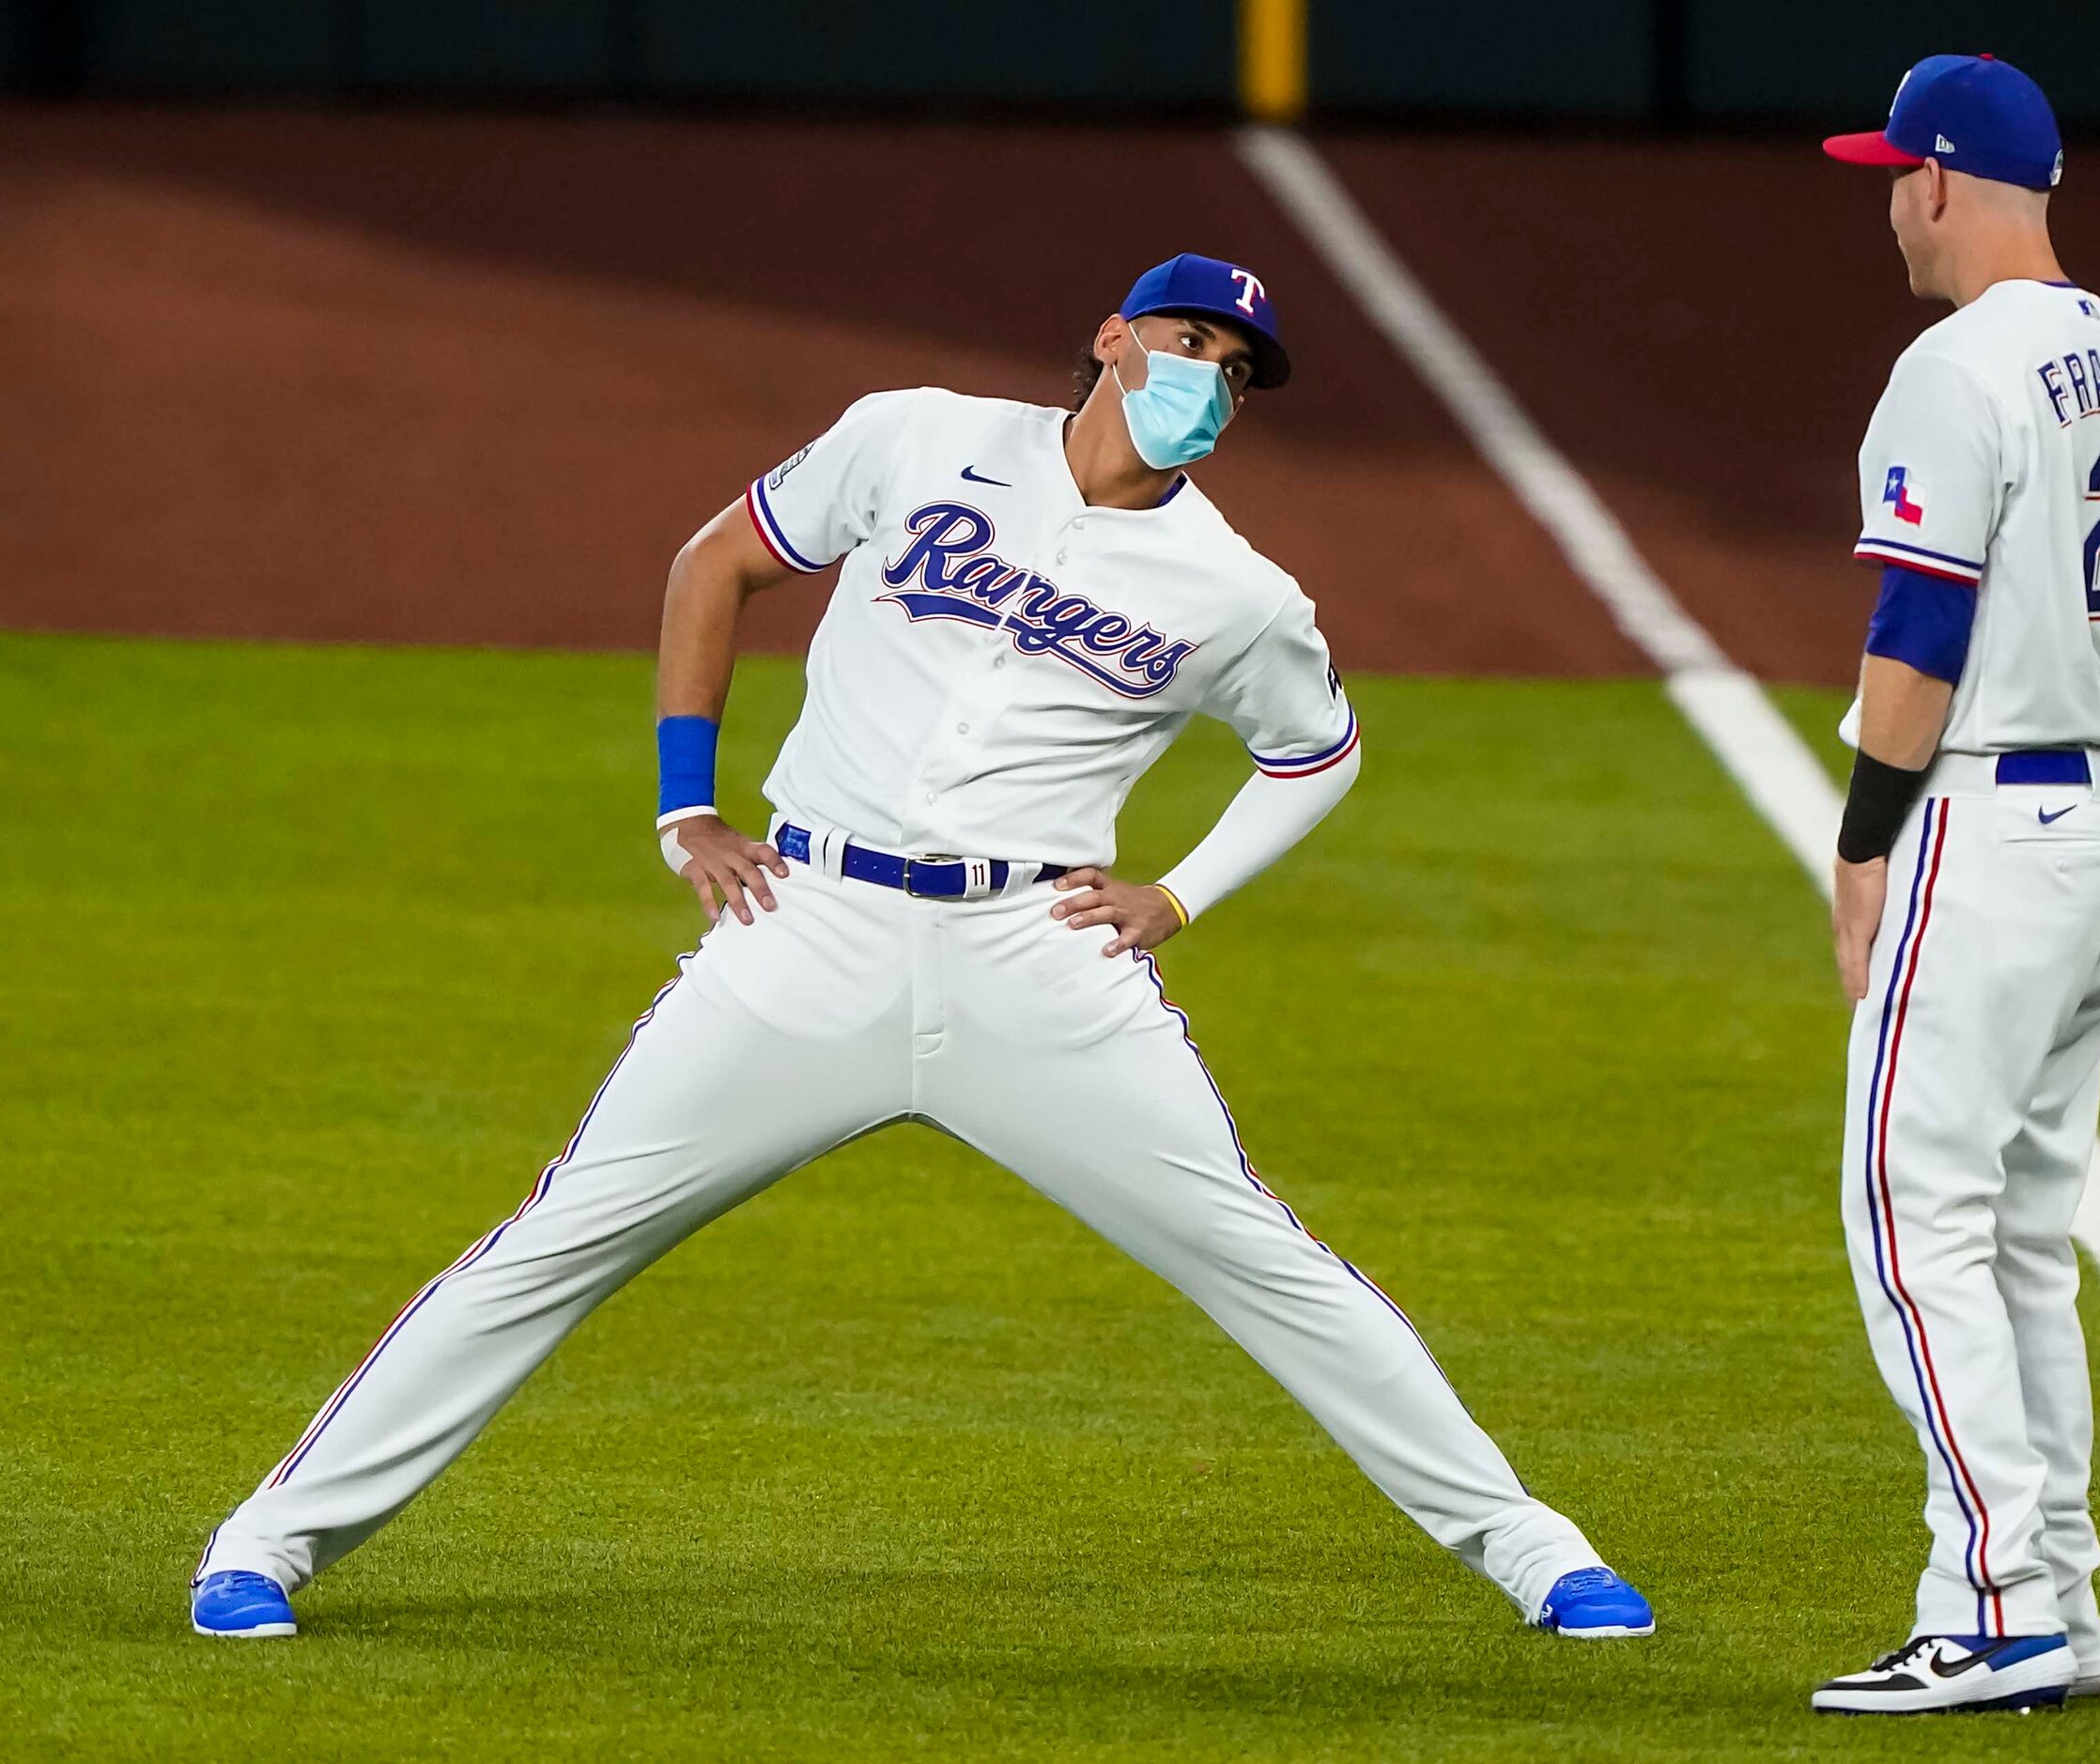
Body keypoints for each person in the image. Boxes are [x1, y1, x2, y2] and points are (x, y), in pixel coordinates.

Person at [190, 252, 1653, 1646]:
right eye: (1191, 342)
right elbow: (717, 565)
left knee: (1257, 1257)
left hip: (1037, 959)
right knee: (561, 1239)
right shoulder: (914, 439)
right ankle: (266, 1542)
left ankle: (1537, 1550)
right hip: (803, 927)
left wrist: (1183, 893)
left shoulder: (1237, 592)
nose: (1206, 379)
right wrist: (687, 809)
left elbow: (1317, 752)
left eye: (1239, 371)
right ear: (1114, 337)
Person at [1810, 59, 2100, 1714]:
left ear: (1948, 183)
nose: (1889, 196)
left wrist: (1862, 837)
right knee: (2024, 1238)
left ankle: (1995, 1598)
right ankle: (2061, 1600)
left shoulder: (1956, 368)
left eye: (1898, 171)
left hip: (1983, 832)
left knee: (1912, 1223)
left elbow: (1919, 632)